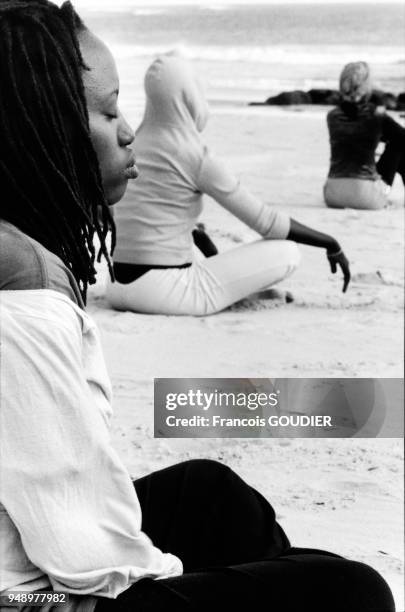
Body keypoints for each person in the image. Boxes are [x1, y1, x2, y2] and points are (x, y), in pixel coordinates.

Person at [0, 3, 395, 612]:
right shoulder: (24, 291)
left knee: (208, 491)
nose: (125, 128)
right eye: (107, 111)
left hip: (122, 284)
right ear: (38, 128)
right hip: (34, 596)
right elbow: (85, 555)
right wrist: (172, 575)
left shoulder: (26, 243)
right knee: (354, 588)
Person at [106, 53, 350, 317]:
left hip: (116, 287)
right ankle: (231, 294)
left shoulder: (132, 144)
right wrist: (330, 242)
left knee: (195, 244)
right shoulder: (193, 154)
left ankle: (239, 293)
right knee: (289, 251)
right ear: (189, 94)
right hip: (162, 292)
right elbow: (266, 222)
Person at [324, 61, 405, 210]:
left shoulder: (332, 116)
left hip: (333, 195)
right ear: (367, 86)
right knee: (398, 145)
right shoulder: (376, 114)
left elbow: (354, 135)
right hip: (367, 198)